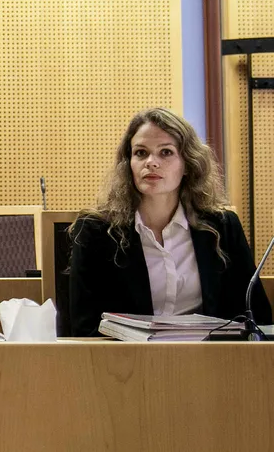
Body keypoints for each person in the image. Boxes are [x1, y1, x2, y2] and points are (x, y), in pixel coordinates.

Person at [69, 107, 271, 336]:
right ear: (128, 163)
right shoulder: (96, 230)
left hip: (209, 355)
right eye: (141, 153)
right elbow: (83, 327)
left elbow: (257, 317)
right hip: (127, 357)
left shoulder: (222, 227)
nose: (151, 162)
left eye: (165, 152)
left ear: (187, 164)